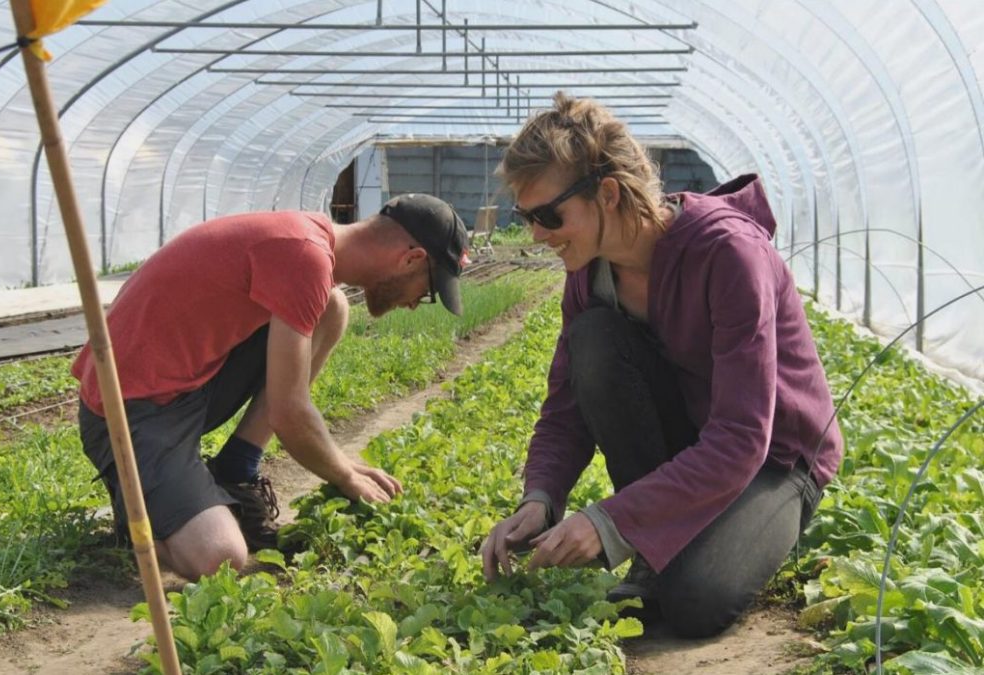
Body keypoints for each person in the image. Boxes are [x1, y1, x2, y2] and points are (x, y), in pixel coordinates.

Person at [481, 92, 844, 638]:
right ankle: (660, 548)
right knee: (594, 341)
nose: (535, 233)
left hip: (778, 459)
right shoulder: (591, 276)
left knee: (694, 602)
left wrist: (613, 522)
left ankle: (703, 540)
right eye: (525, 217)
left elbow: (743, 436)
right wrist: (542, 499)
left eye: (548, 216)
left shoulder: (728, 255)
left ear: (607, 194)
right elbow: (567, 409)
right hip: (697, 444)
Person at [73, 194, 469, 580]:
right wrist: (345, 476)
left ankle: (233, 471)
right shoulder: (303, 255)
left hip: (186, 386)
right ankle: (143, 514)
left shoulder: (310, 243)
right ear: (412, 259)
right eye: (428, 290)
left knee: (333, 308)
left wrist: (341, 464)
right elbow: (289, 412)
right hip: (128, 411)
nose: (417, 302)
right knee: (220, 557)